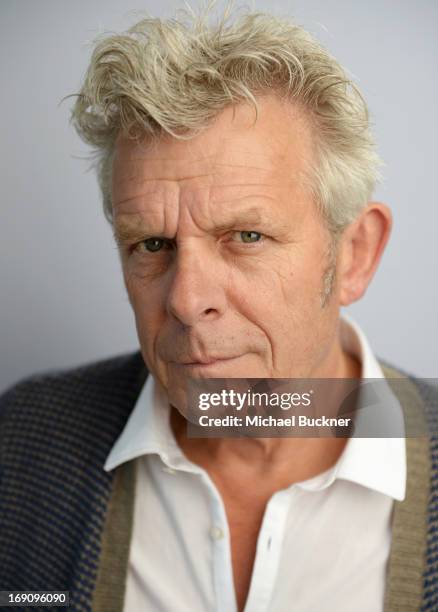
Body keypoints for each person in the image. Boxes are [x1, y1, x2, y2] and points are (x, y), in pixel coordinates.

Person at [0, 6, 436, 612]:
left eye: (246, 237)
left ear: (354, 254)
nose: (185, 300)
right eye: (151, 244)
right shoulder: (20, 444)